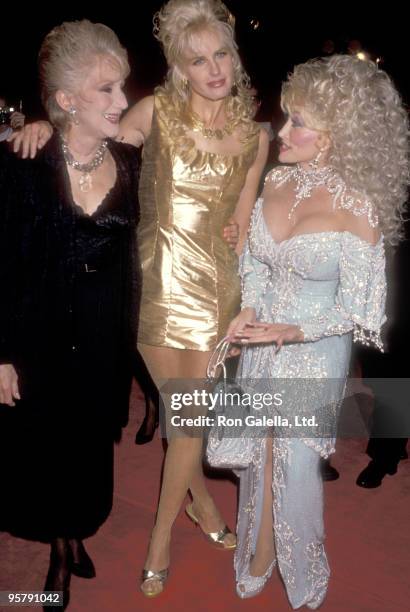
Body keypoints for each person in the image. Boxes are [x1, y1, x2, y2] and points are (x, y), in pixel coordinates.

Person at [11, 0, 269, 598]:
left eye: (222, 53)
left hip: (214, 294)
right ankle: (201, 505)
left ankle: (159, 539)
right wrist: (43, 123)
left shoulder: (255, 136)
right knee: (185, 421)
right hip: (149, 289)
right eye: (197, 58)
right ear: (178, 67)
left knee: (190, 418)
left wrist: (243, 236)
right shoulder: (155, 112)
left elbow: (244, 219)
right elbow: (91, 146)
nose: (214, 68)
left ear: (236, 57)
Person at [221, 55, 409, 607]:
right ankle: (258, 549)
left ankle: (302, 566)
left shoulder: (358, 207)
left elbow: (362, 311)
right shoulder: (277, 180)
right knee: (261, 447)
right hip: (262, 339)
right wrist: (249, 308)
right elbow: (255, 261)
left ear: (334, 136)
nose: (282, 131)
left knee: (298, 461)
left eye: (297, 121)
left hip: (313, 348)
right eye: (286, 118)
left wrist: (294, 330)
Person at [0, 20, 141, 610]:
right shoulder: (23, 163)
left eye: (122, 87)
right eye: (106, 90)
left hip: (105, 331)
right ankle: (60, 551)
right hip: (41, 332)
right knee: (48, 444)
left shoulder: (132, 163)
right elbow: (3, 260)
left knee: (89, 443)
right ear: (65, 100)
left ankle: (77, 530)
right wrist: (2, 352)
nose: (122, 101)